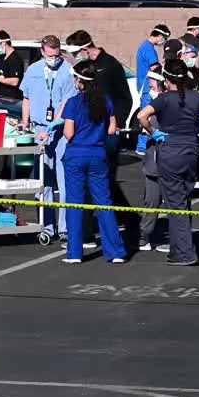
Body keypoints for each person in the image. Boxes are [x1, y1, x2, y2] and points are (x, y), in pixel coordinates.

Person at [136, 58, 199, 266]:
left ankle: (185, 253)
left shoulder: (163, 99)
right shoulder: (196, 97)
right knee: (182, 200)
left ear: (166, 78)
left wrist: (154, 131)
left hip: (170, 153)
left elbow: (142, 116)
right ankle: (178, 249)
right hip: (190, 152)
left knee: (176, 205)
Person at [60, 60, 129, 264]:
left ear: (81, 81)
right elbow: (111, 129)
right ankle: (115, 252)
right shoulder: (106, 101)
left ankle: (74, 253)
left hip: (76, 156)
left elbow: (68, 133)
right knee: (104, 202)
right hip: (98, 154)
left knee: (75, 203)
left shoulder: (73, 103)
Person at [20, 35, 78, 241]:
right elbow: (26, 97)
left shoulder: (68, 71)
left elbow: (69, 102)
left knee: (64, 182)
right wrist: (24, 122)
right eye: (49, 54)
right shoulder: (33, 70)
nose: (53, 58)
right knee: (42, 179)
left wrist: (57, 122)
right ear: (43, 51)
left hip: (61, 130)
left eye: (56, 54)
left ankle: (64, 228)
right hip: (39, 129)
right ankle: (46, 225)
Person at [62, 30, 132, 195]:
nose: (73, 57)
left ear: (85, 50)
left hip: (105, 132)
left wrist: (116, 124)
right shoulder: (89, 68)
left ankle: (121, 216)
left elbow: (124, 98)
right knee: (87, 183)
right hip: (86, 132)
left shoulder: (110, 66)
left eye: (75, 53)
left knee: (105, 181)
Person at [137, 64, 167, 252]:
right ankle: (145, 234)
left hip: (170, 158)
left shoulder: (167, 102)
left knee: (175, 200)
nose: (149, 85)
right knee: (151, 199)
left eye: (152, 81)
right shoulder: (150, 103)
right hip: (153, 160)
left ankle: (177, 236)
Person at [134, 24, 168, 155]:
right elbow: (155, 68)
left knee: (146, 116)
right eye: (164, 38)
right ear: (159, 36)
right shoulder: (149, 50)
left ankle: (142, 145)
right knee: (147, 117)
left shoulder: (144, 47)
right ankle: (142, 146)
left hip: (145, 87)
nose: (163, 41)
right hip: (148, 88)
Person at [0, 30, 25, 100]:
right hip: (1, 97)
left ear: (4, 43)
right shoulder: (2, 57)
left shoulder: (15, 58)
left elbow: (15, 81)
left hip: (12, 98)